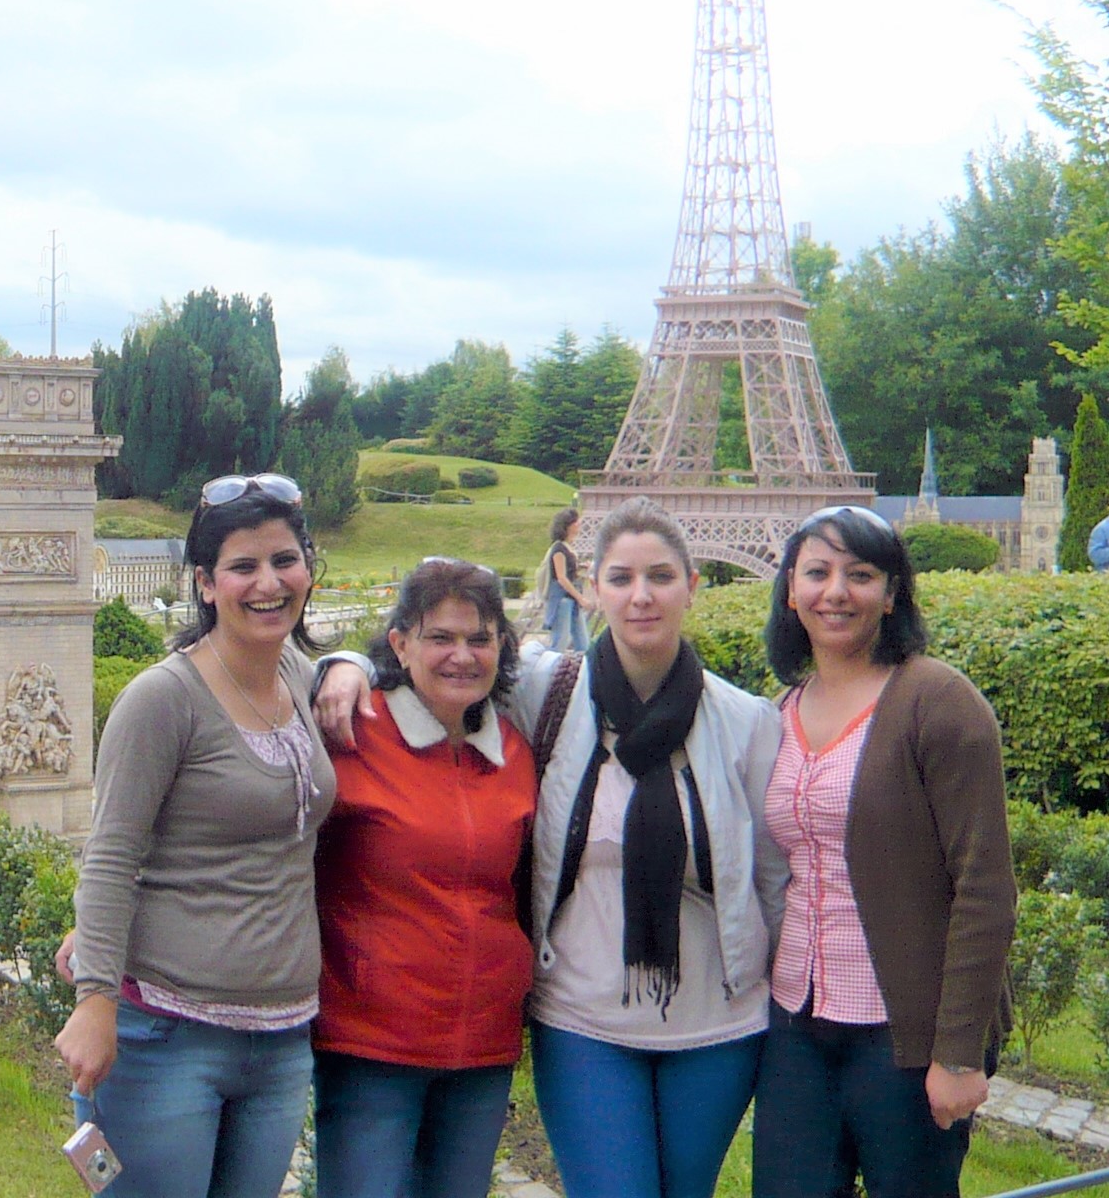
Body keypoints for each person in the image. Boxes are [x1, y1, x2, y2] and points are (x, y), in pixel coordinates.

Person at [317, 497, 785, 1198]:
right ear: (591, 587)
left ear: (694, 585)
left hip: (715, 1026)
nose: (642, 595)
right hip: (581, 1016)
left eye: (661, 576)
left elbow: (773, 882)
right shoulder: (548, 692)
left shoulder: (747, 723)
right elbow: (437, 666)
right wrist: (346, 661)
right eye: (621, 577)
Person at [56, 472, 335, 1198]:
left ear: (308, 568)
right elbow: (112, 855)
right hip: (169, 1035)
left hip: (282, 1039)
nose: (268, 582)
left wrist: (357, 666)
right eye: (243, 566)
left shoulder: (303, 681)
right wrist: (94, 1000)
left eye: (284, 560)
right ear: (206, 584)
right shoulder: (163, 699)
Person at [750, 505, 1015, 1198]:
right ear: (789, 589)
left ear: (892, 593)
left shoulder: (938, 702)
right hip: (797, 1028)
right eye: (817, 572)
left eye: (860, 574)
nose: (836, 591)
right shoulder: (777, 711)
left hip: (903, 1035)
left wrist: (957, 1054)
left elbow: (985, 887)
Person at [312, 557, 535, 1198]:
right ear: (401, 644)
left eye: (479, 638)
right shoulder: (353, 732)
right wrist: (341, 661)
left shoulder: (516, 754)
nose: (461, 656)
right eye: (440, 637)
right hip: (371, 1045)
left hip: (483, 1049)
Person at [542, 508, 596, 651]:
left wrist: (582, 566)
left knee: (583, 642)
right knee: (559, 641)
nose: (579, 524)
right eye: (575, 522)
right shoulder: (559, 549)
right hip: (562, 600)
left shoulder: (568, 547)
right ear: (567, 525)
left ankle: (582, 668)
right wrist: (581, 598)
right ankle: (551, 670)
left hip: (571, 599)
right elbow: (561, 577)